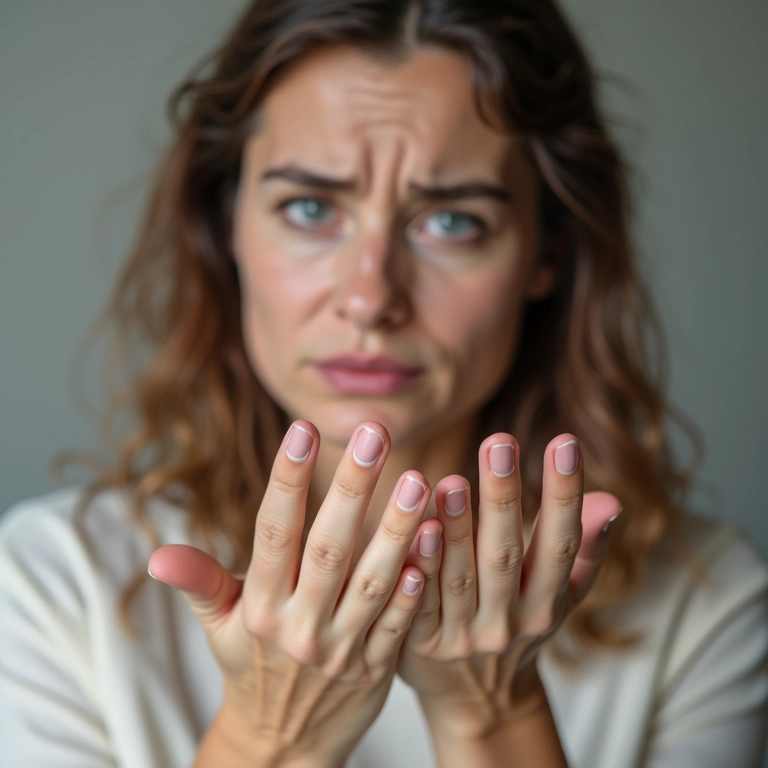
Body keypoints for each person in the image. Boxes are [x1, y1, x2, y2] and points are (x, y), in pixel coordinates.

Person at [1, 1, 767, 766]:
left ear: (547, 255)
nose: (371, 296)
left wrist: (493, 713)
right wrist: (271, 738)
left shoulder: (704, 606)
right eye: (309, 209)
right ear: (227, 226)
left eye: (451, 222)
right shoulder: (50, 588)